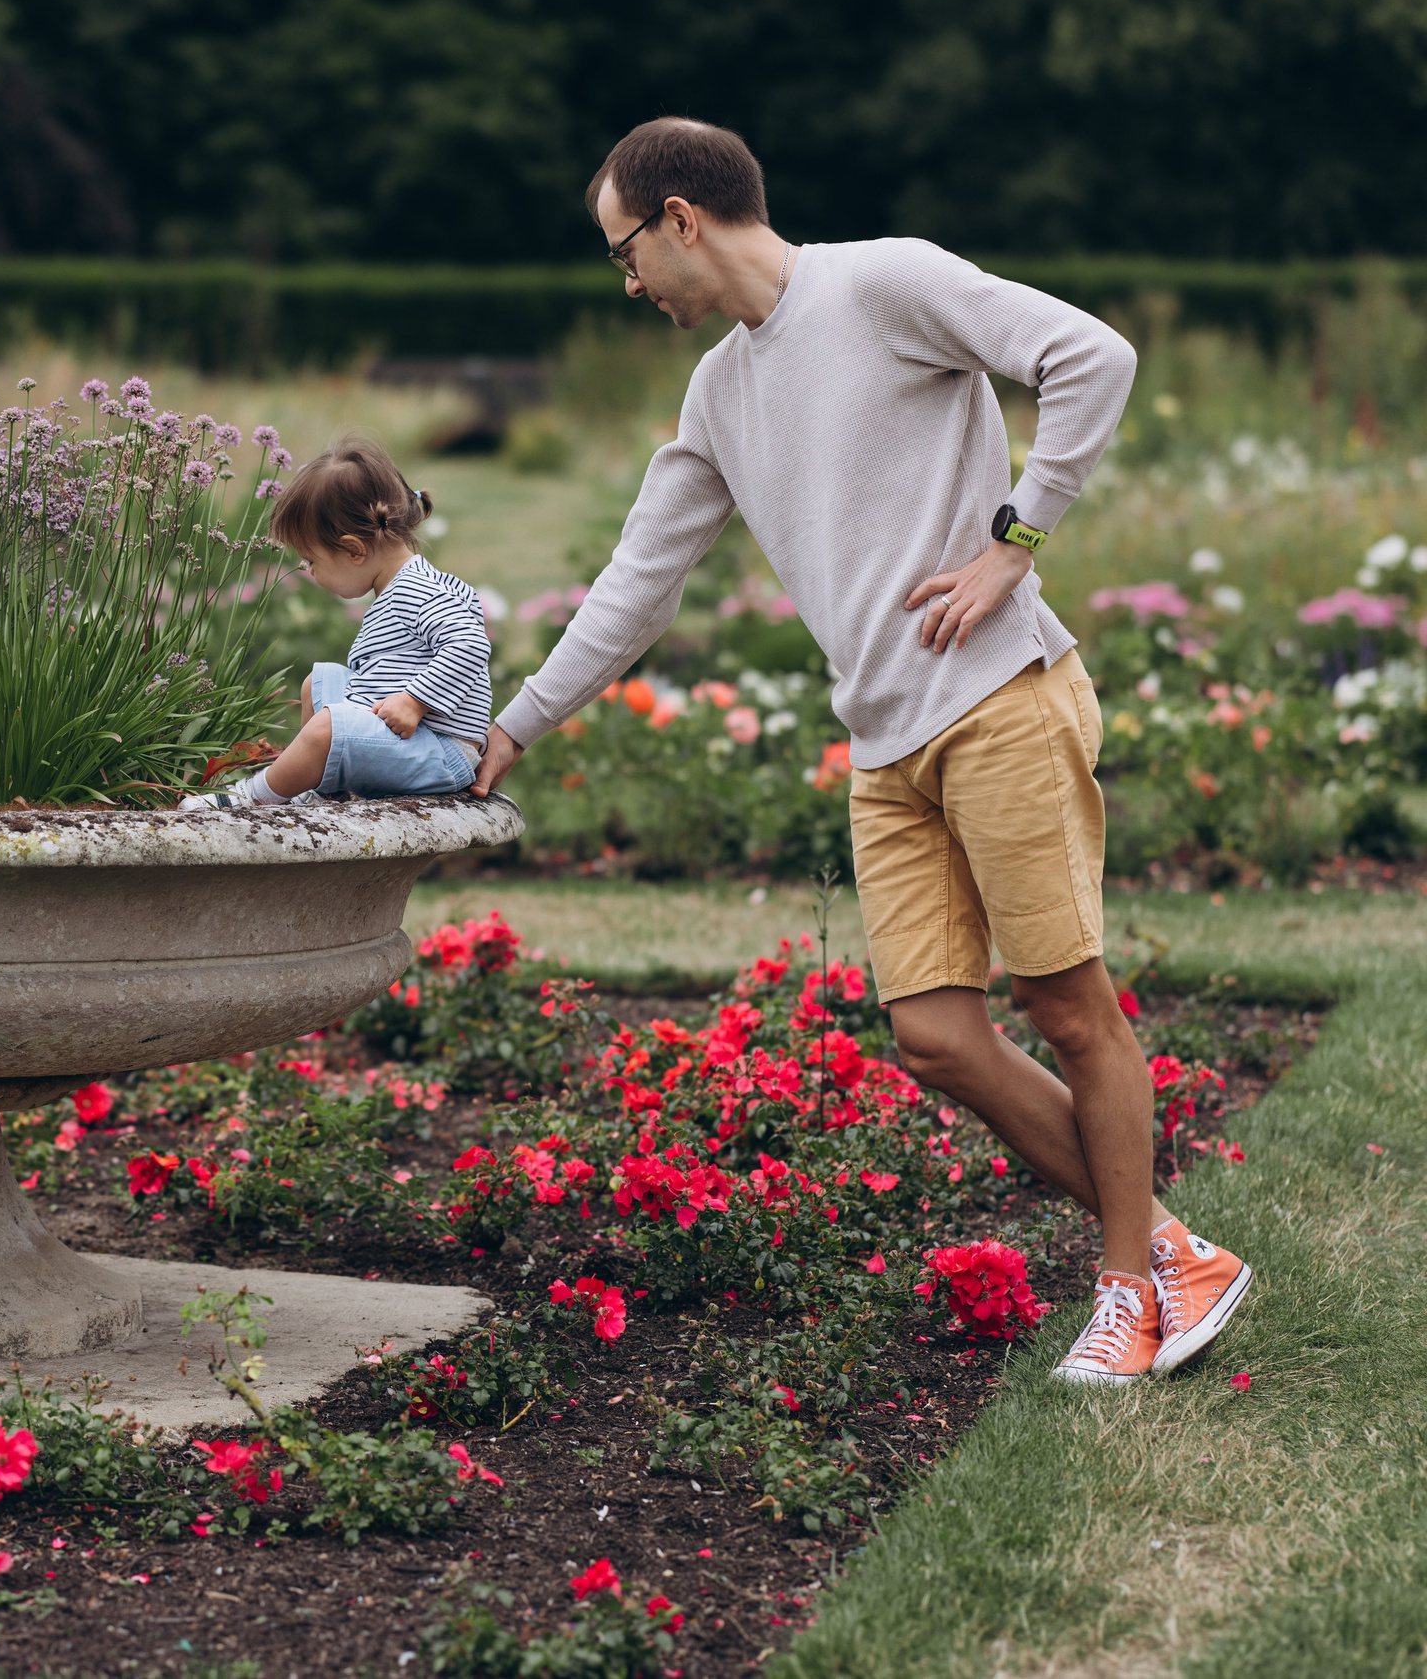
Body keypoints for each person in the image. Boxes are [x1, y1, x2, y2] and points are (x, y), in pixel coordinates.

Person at [473, 117, 1251, 1386]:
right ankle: (1170, 1249)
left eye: (624, 253)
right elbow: (638, 581)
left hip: (1000, 698)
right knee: (937, 1032)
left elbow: (1090, 357)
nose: (628, 286)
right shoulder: (721, 388)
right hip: (886, 742)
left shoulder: (882, 282)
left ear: (679, 218)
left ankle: (1125, 1285)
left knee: (1065, 1002)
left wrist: (1017, 541)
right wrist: (514, 725)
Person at [183, 437, 491, 809]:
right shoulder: (401, 586)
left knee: (329, 728)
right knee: (319, 683)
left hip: (440, 753)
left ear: (353, 550)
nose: (309, 571)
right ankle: (321, 788)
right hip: (414, 739)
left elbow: (470, 644)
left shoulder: (418, 589)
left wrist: (415, 701)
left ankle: (254, 797)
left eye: (312, 561)